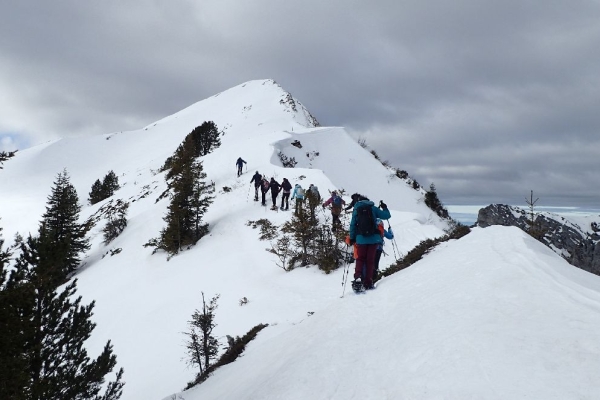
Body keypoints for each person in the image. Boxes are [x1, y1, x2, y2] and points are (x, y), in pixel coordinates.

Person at [348, 197, 391, 290]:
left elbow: (352, 225)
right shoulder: (373, 208)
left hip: (361, 239)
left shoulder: (356, 210)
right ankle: (368, 282)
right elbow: (387, 215)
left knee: (360, 259)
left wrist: (352, 238)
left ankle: (358, 277)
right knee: (370, 260)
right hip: (373, 239)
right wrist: (384, 208)